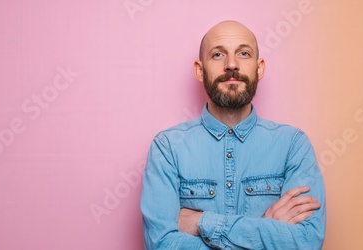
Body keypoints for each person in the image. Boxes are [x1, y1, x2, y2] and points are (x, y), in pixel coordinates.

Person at [140, 20, 326, 249]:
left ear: (259, 68)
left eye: (244, 53)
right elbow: (161, 244)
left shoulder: (293, 145)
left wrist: (201, 221)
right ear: (200, 70)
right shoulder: (167, 148)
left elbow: (305, 242)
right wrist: (265, 228)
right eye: (218, 55)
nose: (231, 65)